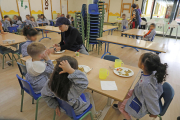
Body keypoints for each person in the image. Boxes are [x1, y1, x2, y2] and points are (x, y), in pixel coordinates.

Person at [113, 52, 168, 120]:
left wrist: (154, 112)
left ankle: (127, 116)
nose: (138, 60)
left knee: (121, 107)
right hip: (139, 92)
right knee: (123, 94)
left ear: (143, 66)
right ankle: (120, 104)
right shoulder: (153, 71)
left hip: (141, 99)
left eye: (139, 59)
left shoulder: (146, 84)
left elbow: (152, 99)